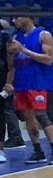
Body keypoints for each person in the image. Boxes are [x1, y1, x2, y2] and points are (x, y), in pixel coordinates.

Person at [6, 14, 53, 165]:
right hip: (21, 83)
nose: (14, 21)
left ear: (27, 17)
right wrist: (9, 82)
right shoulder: (15, 37)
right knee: (28, 117)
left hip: (37, 82)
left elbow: (48, 59)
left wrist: (24, 50)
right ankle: (38, 151)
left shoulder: (43, 35)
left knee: (41, 115)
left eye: (16, 18)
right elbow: (11, 65)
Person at [0, 20, 22, 148]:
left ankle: (15, 137)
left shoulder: (6, 40)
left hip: (5, 79)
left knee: (6, 109)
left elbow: (11, 66)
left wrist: (8, 82)